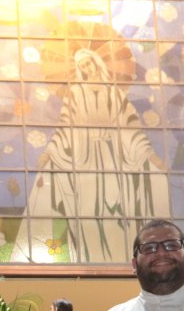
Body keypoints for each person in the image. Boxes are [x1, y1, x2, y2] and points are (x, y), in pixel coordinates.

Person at [25, 48, 163, 262]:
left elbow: (131, 126)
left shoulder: (114, 92)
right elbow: (65, 125)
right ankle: (91, 256)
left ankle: (122, 257)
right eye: (82, 66)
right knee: (89, 207)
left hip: (114, 156)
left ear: (96, 62)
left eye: (88, 63)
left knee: (118, 208)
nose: (87, 68)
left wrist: (150, 155)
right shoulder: (76, 93)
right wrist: (49, 151)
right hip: (86, 158)